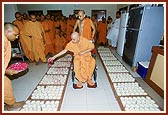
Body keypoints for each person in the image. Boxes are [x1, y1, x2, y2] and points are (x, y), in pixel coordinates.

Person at [4, 23, 25, 111]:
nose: (16, 37)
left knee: (6, 83)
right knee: (5, 84)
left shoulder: (6, 39)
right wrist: (5, 71)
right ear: (7, 31)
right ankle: (11, 104)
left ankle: (9, 104)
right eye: (15, 35)